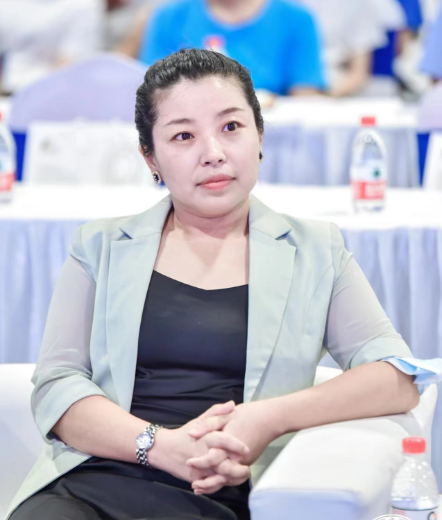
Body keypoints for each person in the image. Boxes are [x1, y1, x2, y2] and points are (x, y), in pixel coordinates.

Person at [7, 48, 422, 520]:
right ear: (150, 157)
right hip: (95, 479)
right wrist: (161, 446)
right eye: (183, 135)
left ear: (259, 135)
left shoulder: (315, 250)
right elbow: (58, 385)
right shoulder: (100, 245)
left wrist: (266, 419)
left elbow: (396, 377)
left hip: (226, 489)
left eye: (231, 127)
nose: (214, 153)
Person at [135, 0, 326, 100]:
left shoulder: (296, 18)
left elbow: (306, 97)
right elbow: (151, 92)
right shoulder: (169, 16)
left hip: (273, 138)